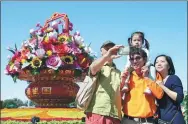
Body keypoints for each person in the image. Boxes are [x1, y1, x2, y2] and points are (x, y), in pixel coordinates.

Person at [121, 47, 164, 124]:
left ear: (144, 59)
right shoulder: (128, 76)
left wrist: (146, 78)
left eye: (138, 58)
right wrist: (122, 82)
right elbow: (118, 96)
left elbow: (160, 94)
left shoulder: (153, 74)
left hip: (147, 121)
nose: (134, 61)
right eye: (132, 59)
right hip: (128, 120)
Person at [85, 40, 123, 124]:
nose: (110, 51)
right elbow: (93, 69)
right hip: (97, 112)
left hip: (115, 115)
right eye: (107, 49)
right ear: (101, 51)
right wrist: (107, 56)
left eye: (112, 49)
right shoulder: (98, 66)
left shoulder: (119, 72)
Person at [154, 54, 186, 124]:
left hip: (175, 121)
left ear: (168, 66)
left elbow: (179, 98)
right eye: (156, 62)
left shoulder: (174, 78)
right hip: (160, 121)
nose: (159, 64)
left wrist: (162, 86)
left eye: (162, 61)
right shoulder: (154, 82)